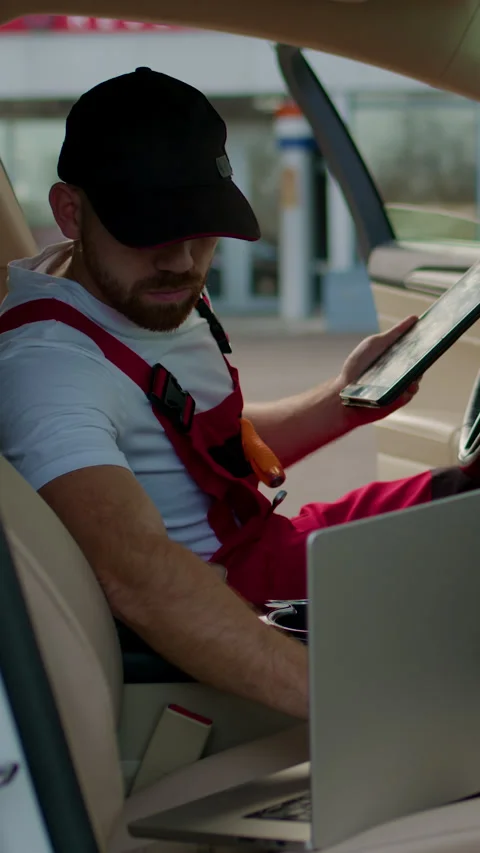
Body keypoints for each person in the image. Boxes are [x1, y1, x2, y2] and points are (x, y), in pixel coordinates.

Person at [0, 68, 478, 721]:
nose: (181, 260)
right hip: (233, 604)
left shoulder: (141, 293)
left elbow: (209, 444)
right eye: (148, 232)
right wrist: (357, 711)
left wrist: (348, 398)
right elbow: (139, 577)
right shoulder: (48, 371)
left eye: (200, 229)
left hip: (274, 544)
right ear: (69, 212)